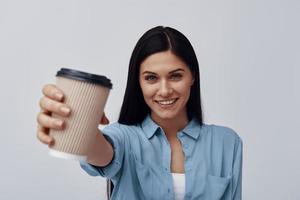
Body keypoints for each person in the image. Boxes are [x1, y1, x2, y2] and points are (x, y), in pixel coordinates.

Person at [36, 26, 243, 200]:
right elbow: (99, 150)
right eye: (151, 78)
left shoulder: (227, 143)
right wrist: (75, 122)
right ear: (139, 83)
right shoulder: (124, 138)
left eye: (175, 76)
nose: (164, 90)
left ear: (193, 77)